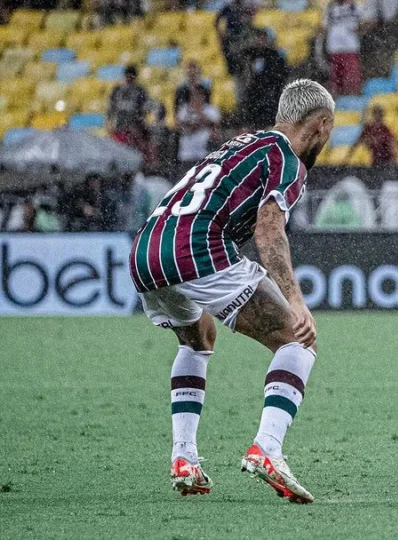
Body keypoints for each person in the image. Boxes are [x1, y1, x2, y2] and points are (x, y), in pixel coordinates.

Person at [129, 79, 336, 503]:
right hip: (197, 248)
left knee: (199, 338)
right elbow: (269, 229)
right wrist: (296, 301)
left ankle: (184, 457)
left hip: (146, 249)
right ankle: (268, 449)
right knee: (297, 340)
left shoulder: (242, 144)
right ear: (321, 125)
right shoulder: (286, 159)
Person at [239, 30, 288, 129]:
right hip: (255, 98)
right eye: (259, 38)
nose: (261, 41)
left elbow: (280, 77)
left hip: (270, 97)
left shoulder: (275, 56)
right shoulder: (251, 55)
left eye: (263, 38)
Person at [108, 64, 151, 159]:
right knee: (119, 154)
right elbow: (110, 109)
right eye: (128, 76)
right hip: (119, 128)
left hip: (134, 130)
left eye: (132, 77)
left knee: (133, 155)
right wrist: (110, 124)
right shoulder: (117, 90)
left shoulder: (140, 91)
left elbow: (145, 111)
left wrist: (140, 127)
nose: (129, 79)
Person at [322, 0, 364, 95]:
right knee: (336, 78)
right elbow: (324, 26)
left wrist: (359, 30)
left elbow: (365, 22)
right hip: (334, 47)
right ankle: (339, 101)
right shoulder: (330, 7)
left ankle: (352, 100)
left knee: (352, 76)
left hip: (350, 47)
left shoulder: (356, 6)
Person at [177, 88, 221, 163]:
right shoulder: (184, 109)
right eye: (194, 95)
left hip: (204, 148)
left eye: (199, 95)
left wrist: (199, 111)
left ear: (204, 96)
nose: (196, 98)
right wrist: (190, 125)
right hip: (187, 148)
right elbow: (178, 125)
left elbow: (215, 124)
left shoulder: (211, 109)